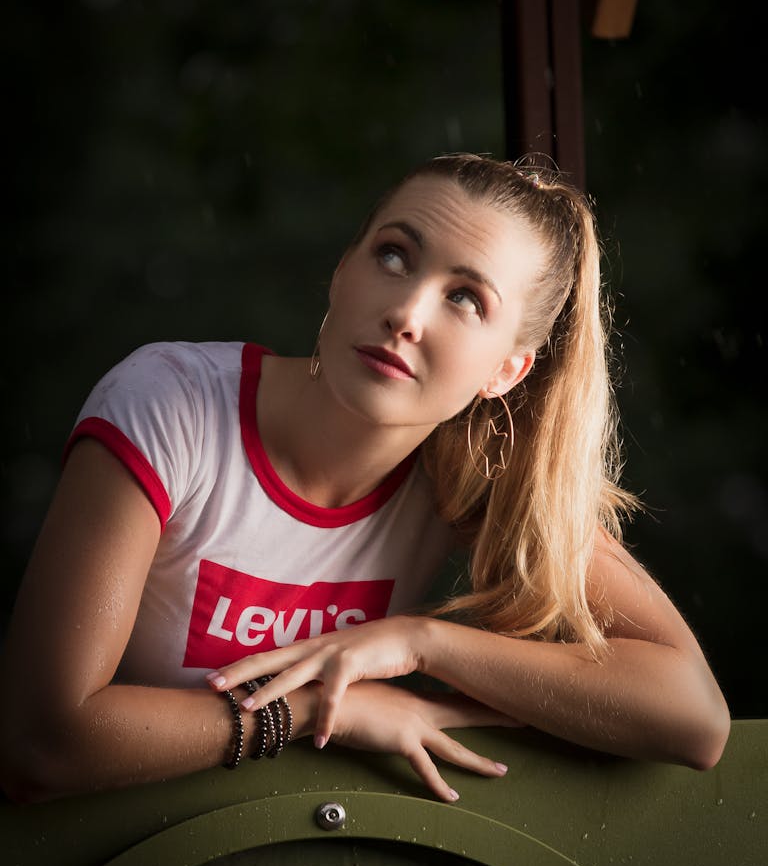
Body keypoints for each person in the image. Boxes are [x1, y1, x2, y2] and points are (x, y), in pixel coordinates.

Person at [0, 154, 730, 804]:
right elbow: (42, 741)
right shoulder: (171, 405)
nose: (406, 314)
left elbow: (693, 719)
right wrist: (320, 708)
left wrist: (420, 644)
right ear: (342, 270)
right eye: (393, 256)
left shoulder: (464, 479)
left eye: (466, 299)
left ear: (506, 372)